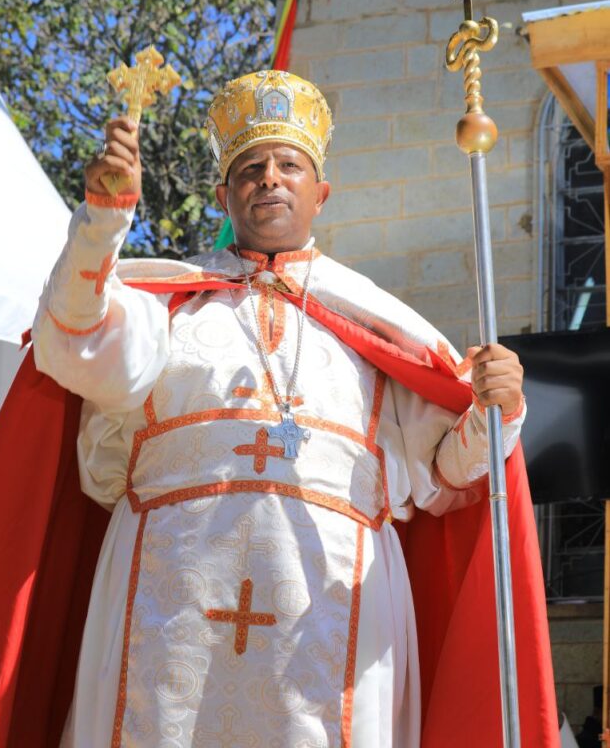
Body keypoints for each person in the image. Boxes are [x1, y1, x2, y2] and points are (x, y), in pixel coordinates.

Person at [30, 69, 530, 748]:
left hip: (329, 608)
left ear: (319, 193)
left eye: (288, 165)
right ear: (224, 194)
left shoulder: (380, 327)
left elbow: (444, 478)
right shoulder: (165, 308)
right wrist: (101, 222)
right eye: (251, 167)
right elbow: (73, 337)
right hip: (169, 602)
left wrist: (494, 409)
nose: (270, 178)